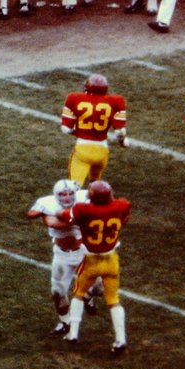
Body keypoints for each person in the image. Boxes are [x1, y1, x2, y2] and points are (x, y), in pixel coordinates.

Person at [64, 180, 130, 354]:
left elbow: (66, 217)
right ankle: (120, 339)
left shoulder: (83, 209)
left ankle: (73, 333)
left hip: (91, 261)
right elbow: (123, 216)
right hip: (111, 260)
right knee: (114, 300)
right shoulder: (122, 206)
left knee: (78, 294)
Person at [27, 179, 91, 336]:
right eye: (63, 194)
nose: (67, 197)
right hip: (61, 254)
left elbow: (103, 197)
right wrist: (67, 218)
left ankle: (89, 296)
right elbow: (34, 215)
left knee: (98, 289)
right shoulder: (46, 202)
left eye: (70, 193)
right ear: (56, 195)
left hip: (84, 251)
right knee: (57, 291)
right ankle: (65, 322)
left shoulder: (84, 197)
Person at [60, 74, 127, 185]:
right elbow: (120, 132)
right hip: (102, 151)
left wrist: (77, 131)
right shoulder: (115, 101)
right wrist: (122, 141)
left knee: (74, 187)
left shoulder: (74, 98)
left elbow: (66, 129)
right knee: (95, 185)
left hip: (83, 150)